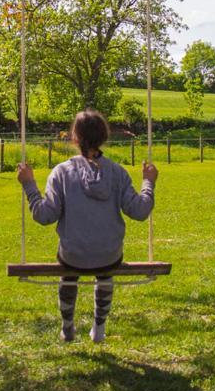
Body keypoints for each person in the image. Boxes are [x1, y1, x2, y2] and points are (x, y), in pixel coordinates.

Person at [17, 109, 158, 343]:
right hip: (109, 254)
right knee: (105, 269)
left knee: (68, 269)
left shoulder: (61, 172)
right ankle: (99, 329)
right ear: (104, 137)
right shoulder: (117, 172)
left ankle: (67, 326)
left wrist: (29, 184)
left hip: (73, 255)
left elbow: (44, 216)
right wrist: (148, 183)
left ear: (74, 138)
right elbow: (140, 211)